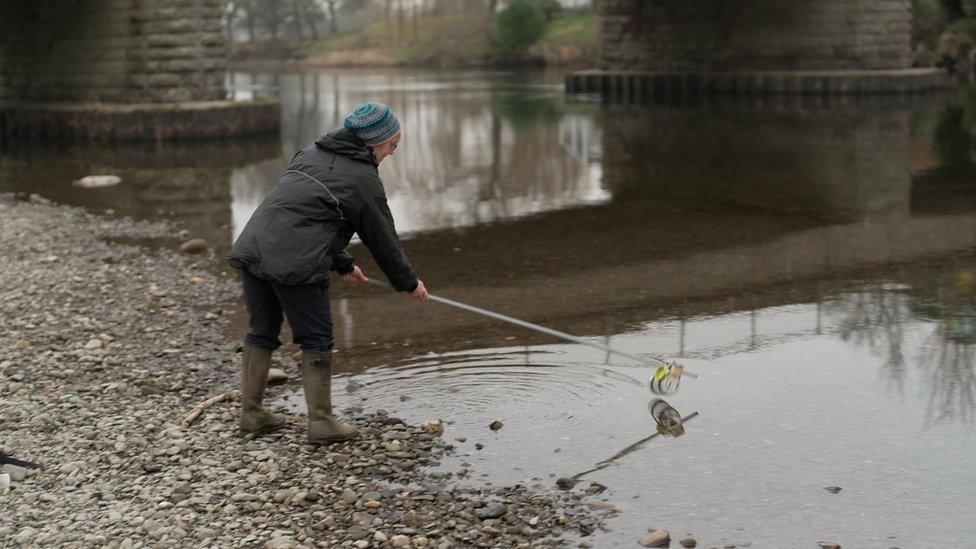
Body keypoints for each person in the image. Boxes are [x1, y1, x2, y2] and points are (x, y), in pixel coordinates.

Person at [227, 102, 428, 444]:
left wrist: (344, 263)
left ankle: (251, 414)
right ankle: (321, 422)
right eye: (393, 145)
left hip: (254, 249)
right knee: (316, 338)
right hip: (296, 264)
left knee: (261, 331)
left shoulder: (310, 154)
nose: (392, 153)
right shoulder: (363, 180)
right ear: (375, 143)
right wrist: (409, 283)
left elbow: (309, 217)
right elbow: (383, 241)